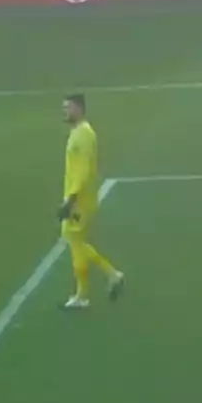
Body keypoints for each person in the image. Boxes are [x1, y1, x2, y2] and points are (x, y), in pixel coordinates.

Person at [58, 95, 125, 309]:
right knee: (76, 243)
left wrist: (71, 199)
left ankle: (108, 277)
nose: (64, 111)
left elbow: (84, 171)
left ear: (79, 108)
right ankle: (85, 292)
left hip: (79, 201)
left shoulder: (84, 135)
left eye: (68, 107)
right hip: (77, 198)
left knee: (74, 241)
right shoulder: (78, 132)